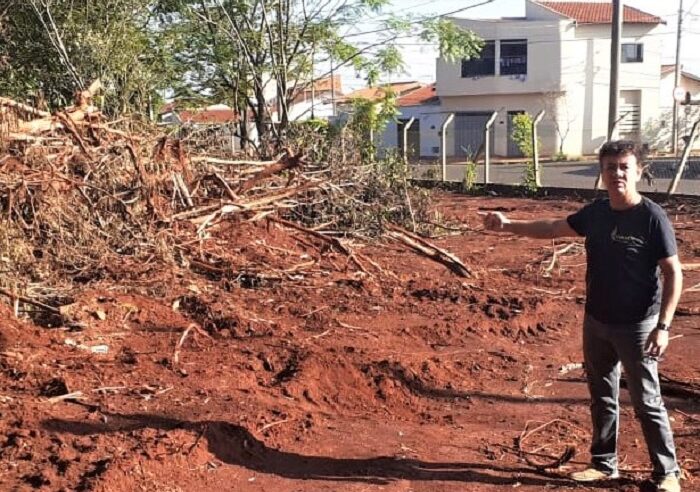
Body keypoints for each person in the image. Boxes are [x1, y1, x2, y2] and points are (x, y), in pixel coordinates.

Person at [481, 140, 683, 492]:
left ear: (638, 171)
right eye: (610, 167)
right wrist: (508, 224)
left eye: (624, 167)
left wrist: (663, 326)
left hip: (638, 325)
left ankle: (667, 472)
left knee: (646, 400)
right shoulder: (597, 213)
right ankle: (604, 465)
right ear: (601, 174)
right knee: (602, 395)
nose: (617, 173)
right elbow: (553, 228)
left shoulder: (651, 217)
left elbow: (673, 273)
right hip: (597, 322)